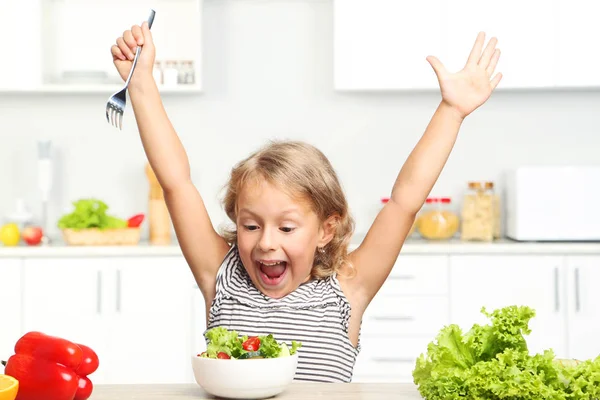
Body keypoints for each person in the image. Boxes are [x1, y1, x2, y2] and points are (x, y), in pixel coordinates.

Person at [110, 23, 501, 382]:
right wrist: (141, 84)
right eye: (251, 225)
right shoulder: (222, 277)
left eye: (286, 227)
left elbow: (404, 202)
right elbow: (176, 183)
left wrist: (451, 112)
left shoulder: (347, 288)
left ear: (326, 230)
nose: (265, 242)